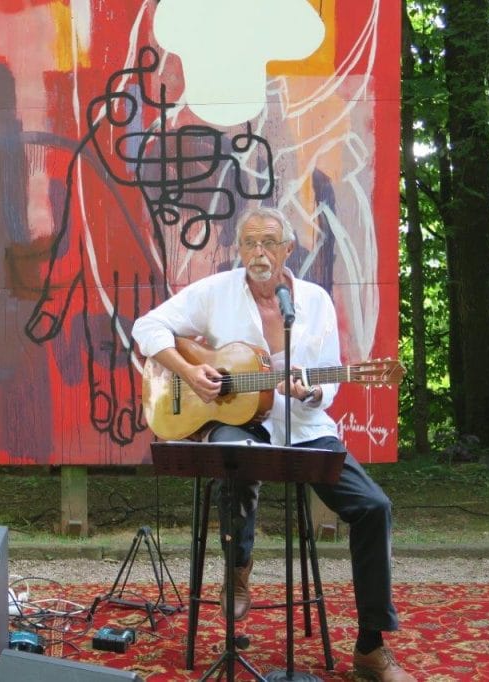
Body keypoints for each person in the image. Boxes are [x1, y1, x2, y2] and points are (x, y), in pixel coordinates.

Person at [131, 207, 414, 682]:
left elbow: (333, 380)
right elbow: (147, 328)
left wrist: (313, 391)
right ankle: (238, 569)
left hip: (304, 427)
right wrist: (190, 372)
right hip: (240, 423)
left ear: (287, 250)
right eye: (249, 244)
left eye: (268, 243)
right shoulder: (216, 292)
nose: (258, 253)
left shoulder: (316, 301)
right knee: (234, 455)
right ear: (238, 250)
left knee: (374, 506)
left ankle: (370, 649)